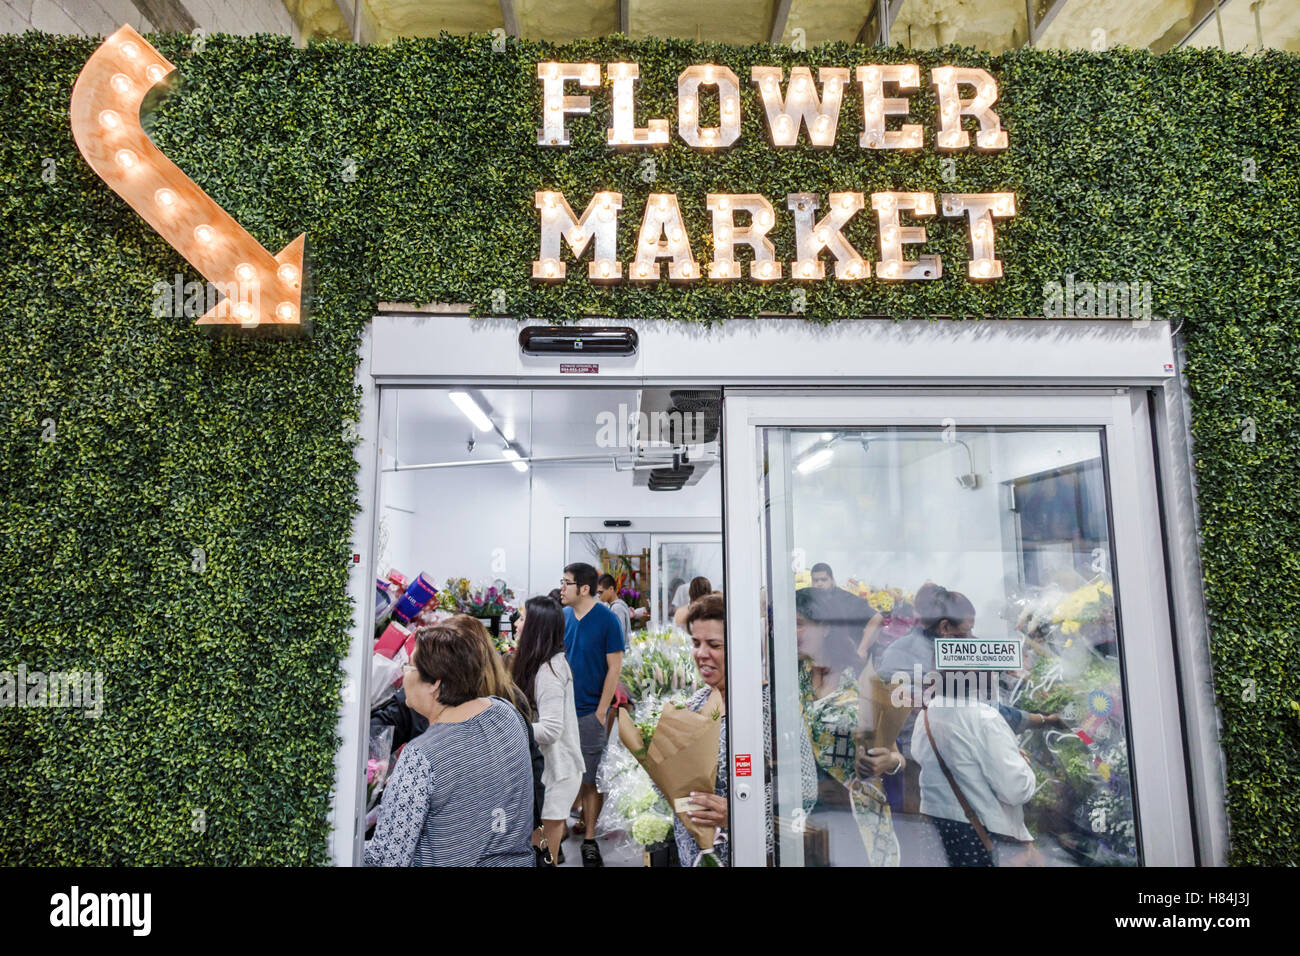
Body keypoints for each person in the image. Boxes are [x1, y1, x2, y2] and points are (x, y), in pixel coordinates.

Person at [364, 622, 535, 866]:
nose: (404, 674)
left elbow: (387, 858)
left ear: (435, 683)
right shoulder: (506, 714)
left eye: (410, 665)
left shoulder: (422, 756)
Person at [673, 594, 817, 866]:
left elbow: (804, 788)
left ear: (739, 645)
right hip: (694, 855)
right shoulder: (692, 705)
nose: (701, 653)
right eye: (696, 643)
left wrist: (740, 813)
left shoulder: (768, 707)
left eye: (714, 644)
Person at [904, 589, 1038, 867]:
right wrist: (1023, 765)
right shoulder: (985, 719)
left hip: (938, 830)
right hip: (981, 835)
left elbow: (920, 755)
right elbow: (1016, 790)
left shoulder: (928, 714)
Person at [795, 586, 901, 867]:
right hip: (800, 818)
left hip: (855, 817)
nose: (791, 633)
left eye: (799, 624)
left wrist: (888, 762)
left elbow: (894, 754)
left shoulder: (861, 677)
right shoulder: (788, 676)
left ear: (826, 627)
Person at [560, 561, 625, 867]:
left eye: (566, 583)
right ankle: (555, 833)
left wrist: (601, 710)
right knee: (560, 776)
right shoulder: (562, 618)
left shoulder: (607, 620)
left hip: (589, 713)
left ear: (583, 588)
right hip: (561, 712)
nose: (562, 588)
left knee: (590, 780)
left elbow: (615, 668)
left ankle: (589, 840)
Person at [511, 596, 584, 867]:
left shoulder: (550, 671)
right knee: (538, 849)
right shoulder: (543, 665)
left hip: (559, 773)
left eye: (522, 619)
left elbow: (552, 729)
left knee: (546, 855)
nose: (517, 625)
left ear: (536, 628)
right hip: (550, 771)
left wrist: (509, 728)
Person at [808, 562, 885, 665]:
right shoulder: (809, 600)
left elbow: (877, 618)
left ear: (832, 580)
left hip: (848, 661)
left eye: (824, 579)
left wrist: (862, 649)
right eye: (816, 580)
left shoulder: (845, 599)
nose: (819, 584)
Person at [597, 573, 632, 650]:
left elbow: (618, 636)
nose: (598, 595)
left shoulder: (617, 608)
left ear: (611, 589)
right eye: (597, 592)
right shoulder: (613, 606)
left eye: (600, 592)